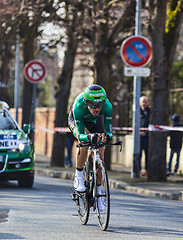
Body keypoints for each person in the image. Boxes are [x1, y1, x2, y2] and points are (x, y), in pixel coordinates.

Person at [68, 84, 113, 197]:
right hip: (78, 121)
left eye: (99, 105)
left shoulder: (108, 107)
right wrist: (88, 137)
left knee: (101, 153)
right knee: (84, 142)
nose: (97, 108)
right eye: (93, 105)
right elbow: (82, 134)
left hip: (94, 121)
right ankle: (78, 177)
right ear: (87, 102)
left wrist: (107, 137)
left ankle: (98, 191)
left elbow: (109, 132)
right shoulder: (79, 104)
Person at [139, 96, 150, 176]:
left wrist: (146, 132)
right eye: (142, 101)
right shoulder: (137, 111)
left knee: (147, 154)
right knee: (138, 154)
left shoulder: (150, 112)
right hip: (138, 137)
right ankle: (138, 170)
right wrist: (138, 132)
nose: (144, 103)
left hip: (147, 137)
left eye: (145, 101)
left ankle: (147, 170)